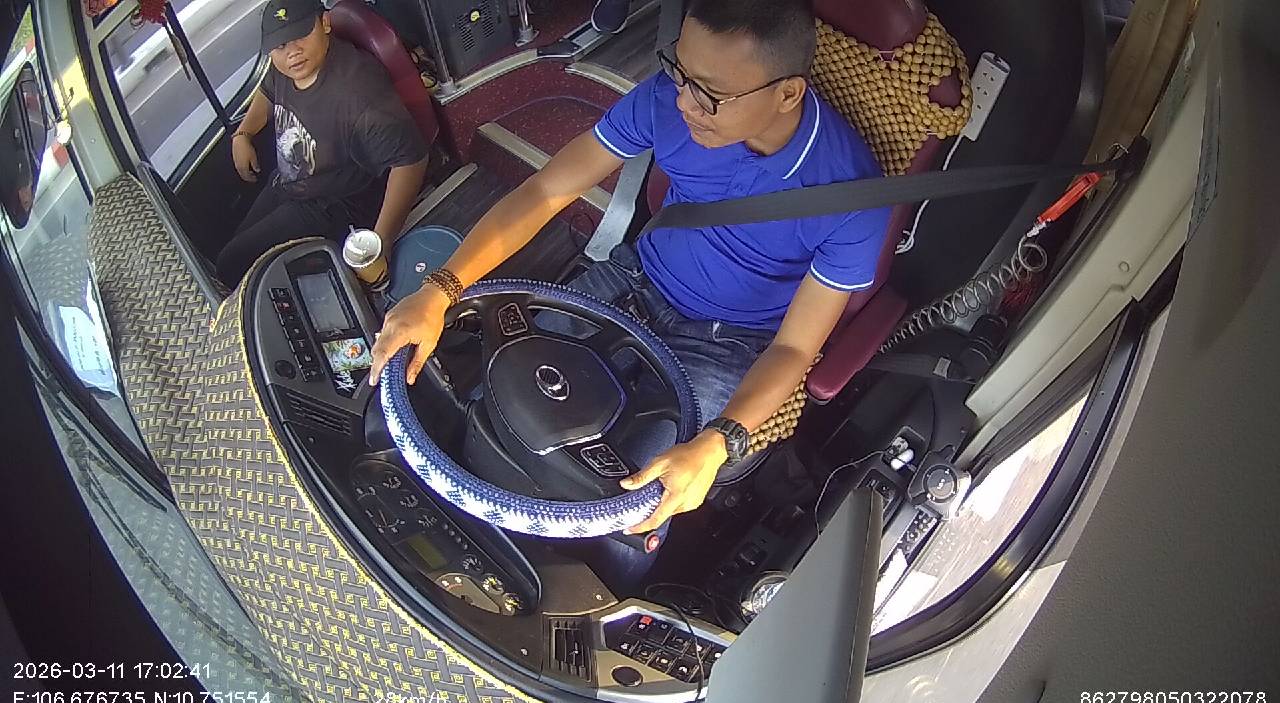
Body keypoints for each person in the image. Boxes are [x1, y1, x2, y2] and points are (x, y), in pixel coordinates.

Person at [370, 0, 888, 568]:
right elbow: (547, 191)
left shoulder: (852, 199)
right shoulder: (669, 101)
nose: (684, 103)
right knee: (496, 401)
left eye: (709, 94)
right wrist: (440, 290)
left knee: (630, 512)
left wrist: (718, 443)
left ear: (787, 94)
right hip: (633, 279)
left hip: (728, 343)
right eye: (680, 72)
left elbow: (794, 348)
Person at [217, 0, 428, 286]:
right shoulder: (287, 68)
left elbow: (410, 161)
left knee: (231, 265)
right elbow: (268, 90)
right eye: (280, 45)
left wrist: (380, 244)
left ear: (325, 23)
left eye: (300, 35)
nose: (292, 52)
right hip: (289, 181)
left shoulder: (358, 95)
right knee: (232, 247)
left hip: (332, 204)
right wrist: (243, 135)